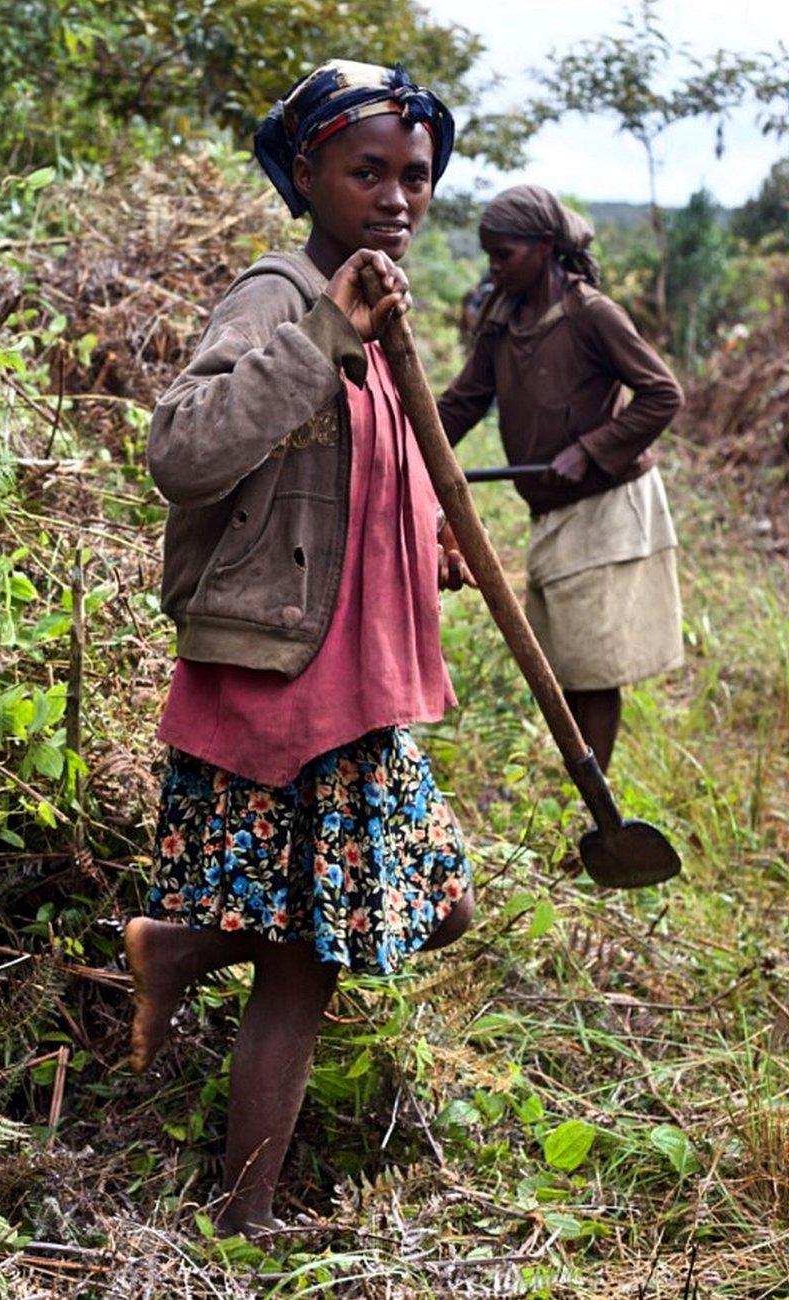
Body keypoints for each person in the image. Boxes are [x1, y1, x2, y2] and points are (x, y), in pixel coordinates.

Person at [123, 60, 477, 1239]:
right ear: (309, 172)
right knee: (305, 958)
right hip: (288, 679)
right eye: (366, 170)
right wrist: (324, 329)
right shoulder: (281, 296)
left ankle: (176, 947)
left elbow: (349, 474)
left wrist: (426, 544)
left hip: (362, 677)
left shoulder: (374, 303)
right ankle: (246, 1217)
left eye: (414, 174)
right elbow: (185, 449)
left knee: (432, 900)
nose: (395, 195)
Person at [438, 185, 684, 772]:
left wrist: (590, 449)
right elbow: (463, 403)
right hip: (551, 511)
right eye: (489, 256)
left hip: (605, 507)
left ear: (545, 247)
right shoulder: (502, 316)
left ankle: (597, 809)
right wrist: (399, 448)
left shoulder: (592, 314)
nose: (494, 269)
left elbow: (662, 394)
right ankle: (587, 786)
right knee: (565, 660)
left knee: (592, 667)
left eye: (505, 256)